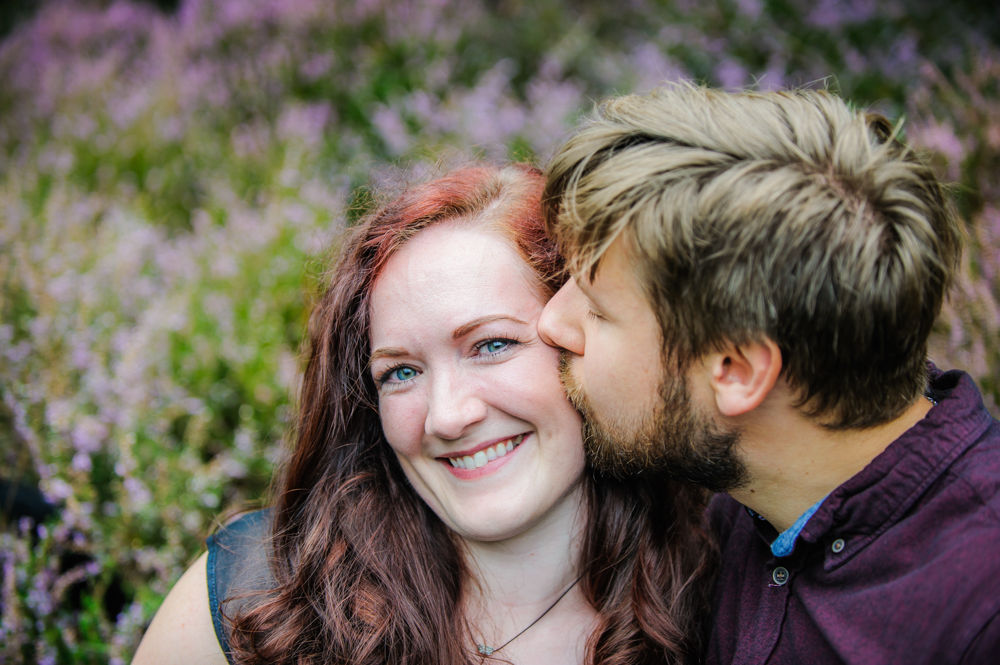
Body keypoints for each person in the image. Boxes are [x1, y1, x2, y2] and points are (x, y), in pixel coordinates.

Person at [132, 163, 716, 665]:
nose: (446, 417)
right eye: (401, 373)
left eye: (491, 345)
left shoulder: (728, 603)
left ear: (584, 342)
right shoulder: (255, 595)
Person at [536, 82, 1000, 664]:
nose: (552, 321)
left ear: (735, 371)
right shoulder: (728, 503)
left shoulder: (980, 611)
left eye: (599, 311)